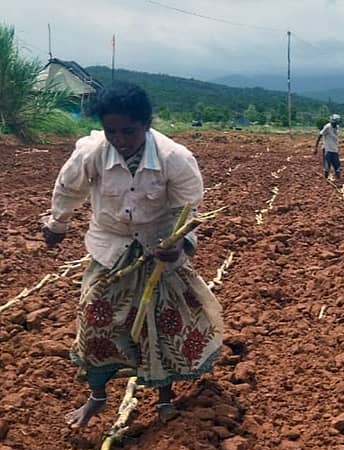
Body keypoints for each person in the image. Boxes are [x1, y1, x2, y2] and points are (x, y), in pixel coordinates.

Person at [41, 81, 223, 428]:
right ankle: (96, 396)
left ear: (147, 124)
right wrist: (57, 225)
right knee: (95, 321)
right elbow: (67, 189)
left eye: (129, 131)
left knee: (160, 325)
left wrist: (179, 246)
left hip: (158, 252)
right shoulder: (91, 152)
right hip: (110, 249)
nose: (121, 140)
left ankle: (164, 400)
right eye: (112, 131)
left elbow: (188, 210)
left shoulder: (175, 159)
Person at [315, 114, 342, 179]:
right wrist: (316, 147)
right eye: (335, 122)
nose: (335, 124)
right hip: (327, 149)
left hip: (335, 149)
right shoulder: (327, 127)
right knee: (327, 166)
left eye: (337, 122)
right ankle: (326, 180)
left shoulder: (337, 127)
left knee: (337, 166)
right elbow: (320, 135)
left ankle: (338, 179)